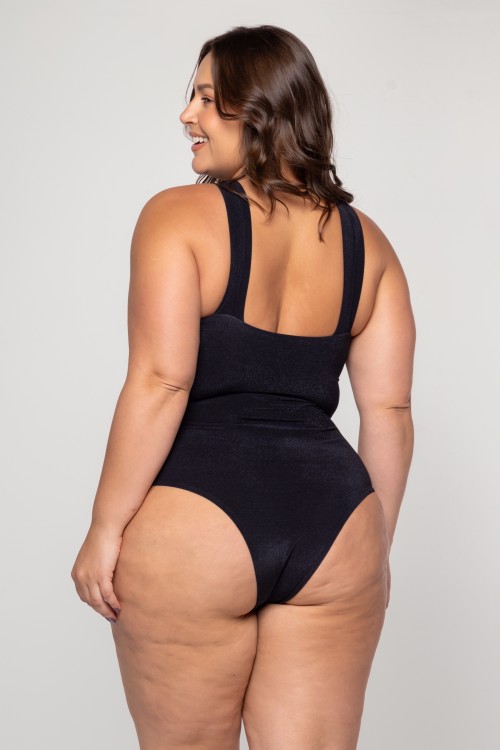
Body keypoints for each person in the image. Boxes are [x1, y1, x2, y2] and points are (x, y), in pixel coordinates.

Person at [71, 24, 415, 750]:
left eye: (205, 97)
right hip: (337, 523)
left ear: (258, 107)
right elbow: (388, 409)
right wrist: (372, 549)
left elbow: (162, 380)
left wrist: (105, 528)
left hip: (198, 523)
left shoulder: (178, 215)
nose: (186, 115)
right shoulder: (370, 244)